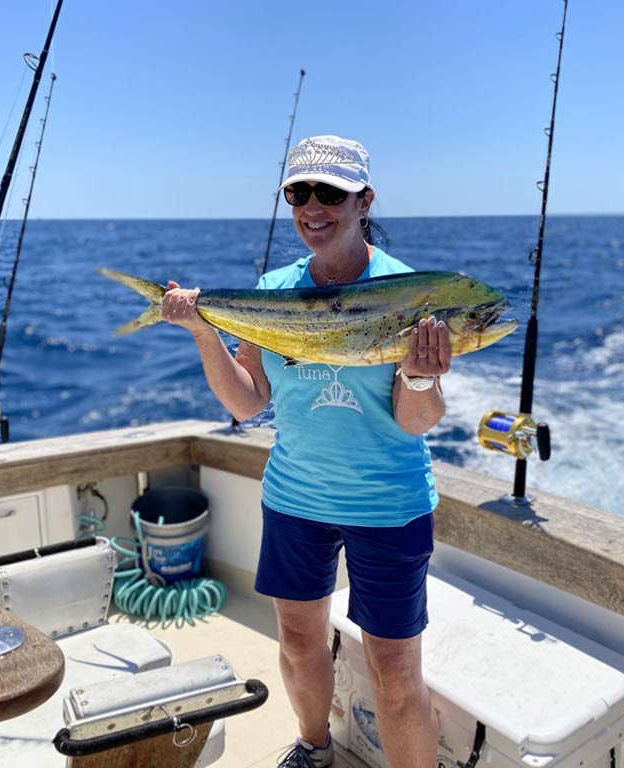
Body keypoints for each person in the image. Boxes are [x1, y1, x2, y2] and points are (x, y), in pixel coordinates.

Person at [163, 135, 448, 768]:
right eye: (299, 192)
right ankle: (314, 746)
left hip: (386, 503)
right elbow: (247, 402)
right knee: (296, 640)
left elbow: (415, 420)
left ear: (364, 200)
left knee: (396, 670)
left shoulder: (408, 293)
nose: (312, 206)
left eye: (331, 193)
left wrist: (424, 377)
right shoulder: (273, 289)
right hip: (296, 497)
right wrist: (204, 332)